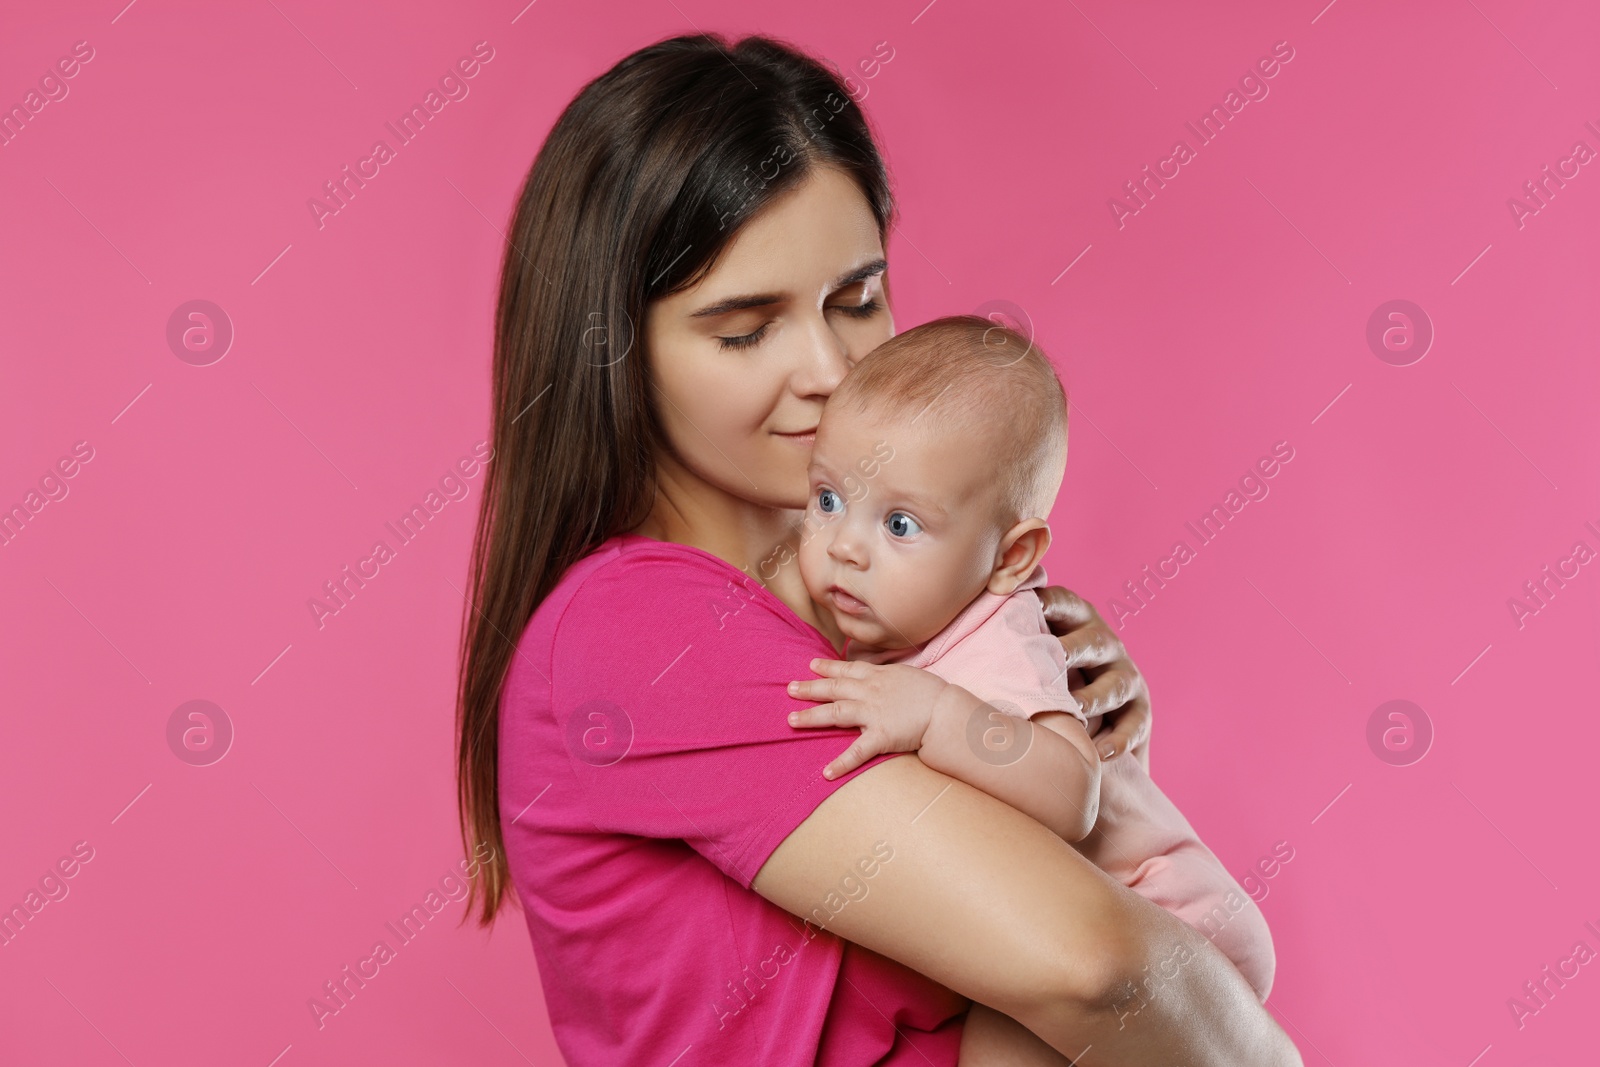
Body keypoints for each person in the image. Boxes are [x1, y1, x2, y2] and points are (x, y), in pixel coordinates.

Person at [453, 30, 1302, 1066]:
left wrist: (1071, 740)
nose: (826, 368)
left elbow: (1116, 908)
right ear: (613, 348)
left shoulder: (888, 619)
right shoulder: (641, 627)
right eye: (743, 329)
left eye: (856, 301)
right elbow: (1099, 966)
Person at [785, 315, 1277, 1042]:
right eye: (828, 500)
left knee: (1000, 1031)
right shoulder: (897, 618)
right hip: (1087, 917)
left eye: (899, 525)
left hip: (1168, 912)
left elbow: (1072, 792)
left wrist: (934, 716)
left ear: (1011, 559)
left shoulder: (1001, 638)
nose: (845, 547)